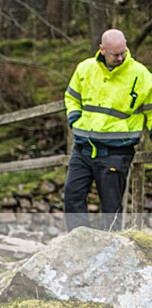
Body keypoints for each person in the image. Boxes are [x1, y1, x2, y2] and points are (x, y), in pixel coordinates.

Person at [63, 28, 152, 231]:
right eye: (115, 54)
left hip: (116, 153)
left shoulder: (141, 76)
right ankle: (78, 246)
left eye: (123, 52)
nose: (121, 57)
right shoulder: (85, 69)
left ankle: (111, 255)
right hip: (83, 148)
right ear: (102, 49)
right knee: (72, 195)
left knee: (111, 208)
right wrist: (74, 118)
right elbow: (71, 97)